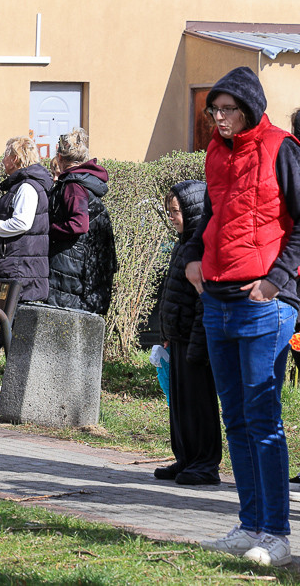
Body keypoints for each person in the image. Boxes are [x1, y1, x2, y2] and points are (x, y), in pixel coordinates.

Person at [185, 67, 300, 567]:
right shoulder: (215, 151)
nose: (219, 118)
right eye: (214, 110)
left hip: (263, 304)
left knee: (263, 420)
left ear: (249, 107)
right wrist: (191, 255)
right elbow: (212, 215)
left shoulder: (282, 147)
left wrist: (277, 279)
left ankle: (276, 533)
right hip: (216, 298)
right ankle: (249, 523)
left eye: (227, 109)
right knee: (235, 420)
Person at [153, 179, 221, 486]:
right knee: (180, 406)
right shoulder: (183, 246)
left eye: (176, 212)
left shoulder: (201, 249)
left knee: (198, 405)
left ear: (192, 212)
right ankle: (185, 458)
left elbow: (201, 303)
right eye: (169, 212)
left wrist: (198, 345)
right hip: (178, 338)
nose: (172, 218)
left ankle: (205, 463)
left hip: (195, 343)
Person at [46, 129, 117, 314]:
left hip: (72, 270)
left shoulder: (73, 185)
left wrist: (48, 229)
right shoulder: (81, 181)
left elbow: (79, 224)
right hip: (78, 267)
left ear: (60, 157)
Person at [0, 136, 53, 302]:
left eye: (5, 156)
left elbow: (22, 223)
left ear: (15, 159)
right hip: (18, 266)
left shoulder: (27, 187)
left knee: (14, 321)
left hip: (19, 270)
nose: (3, 161)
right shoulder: (24, 185)